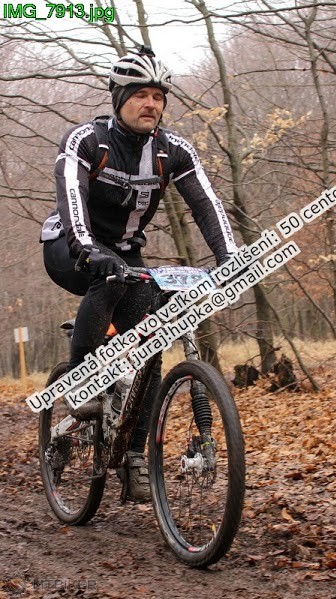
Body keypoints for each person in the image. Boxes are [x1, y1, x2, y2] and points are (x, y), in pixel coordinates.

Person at [41, 46, 237, 502]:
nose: (151, 104)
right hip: (69, 246)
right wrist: (88, 248)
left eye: (158, 96)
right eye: (140, 95)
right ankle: (81, 382)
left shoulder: (173, 151)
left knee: (153, 339)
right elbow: (71, 198)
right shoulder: (87, 141)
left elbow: (206, 204)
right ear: (118, 98)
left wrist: (230, 256)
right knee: (107, 276)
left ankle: (133, 457)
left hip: (127, 253)